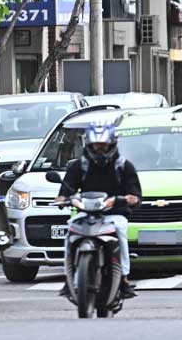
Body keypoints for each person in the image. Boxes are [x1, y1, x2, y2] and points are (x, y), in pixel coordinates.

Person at [55, 121, 141, 299]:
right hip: (85, 213)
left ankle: (123, 278)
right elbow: (65, 191)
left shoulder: (124, 166)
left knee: (121, 232)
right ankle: (69, 277)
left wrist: (125, 199)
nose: (99, 150)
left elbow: (135, 196)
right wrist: (64, 200)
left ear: (112, 144)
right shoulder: (78, 166)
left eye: (103, 146)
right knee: (69, 233)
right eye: (96, 146)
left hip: (114, 214)